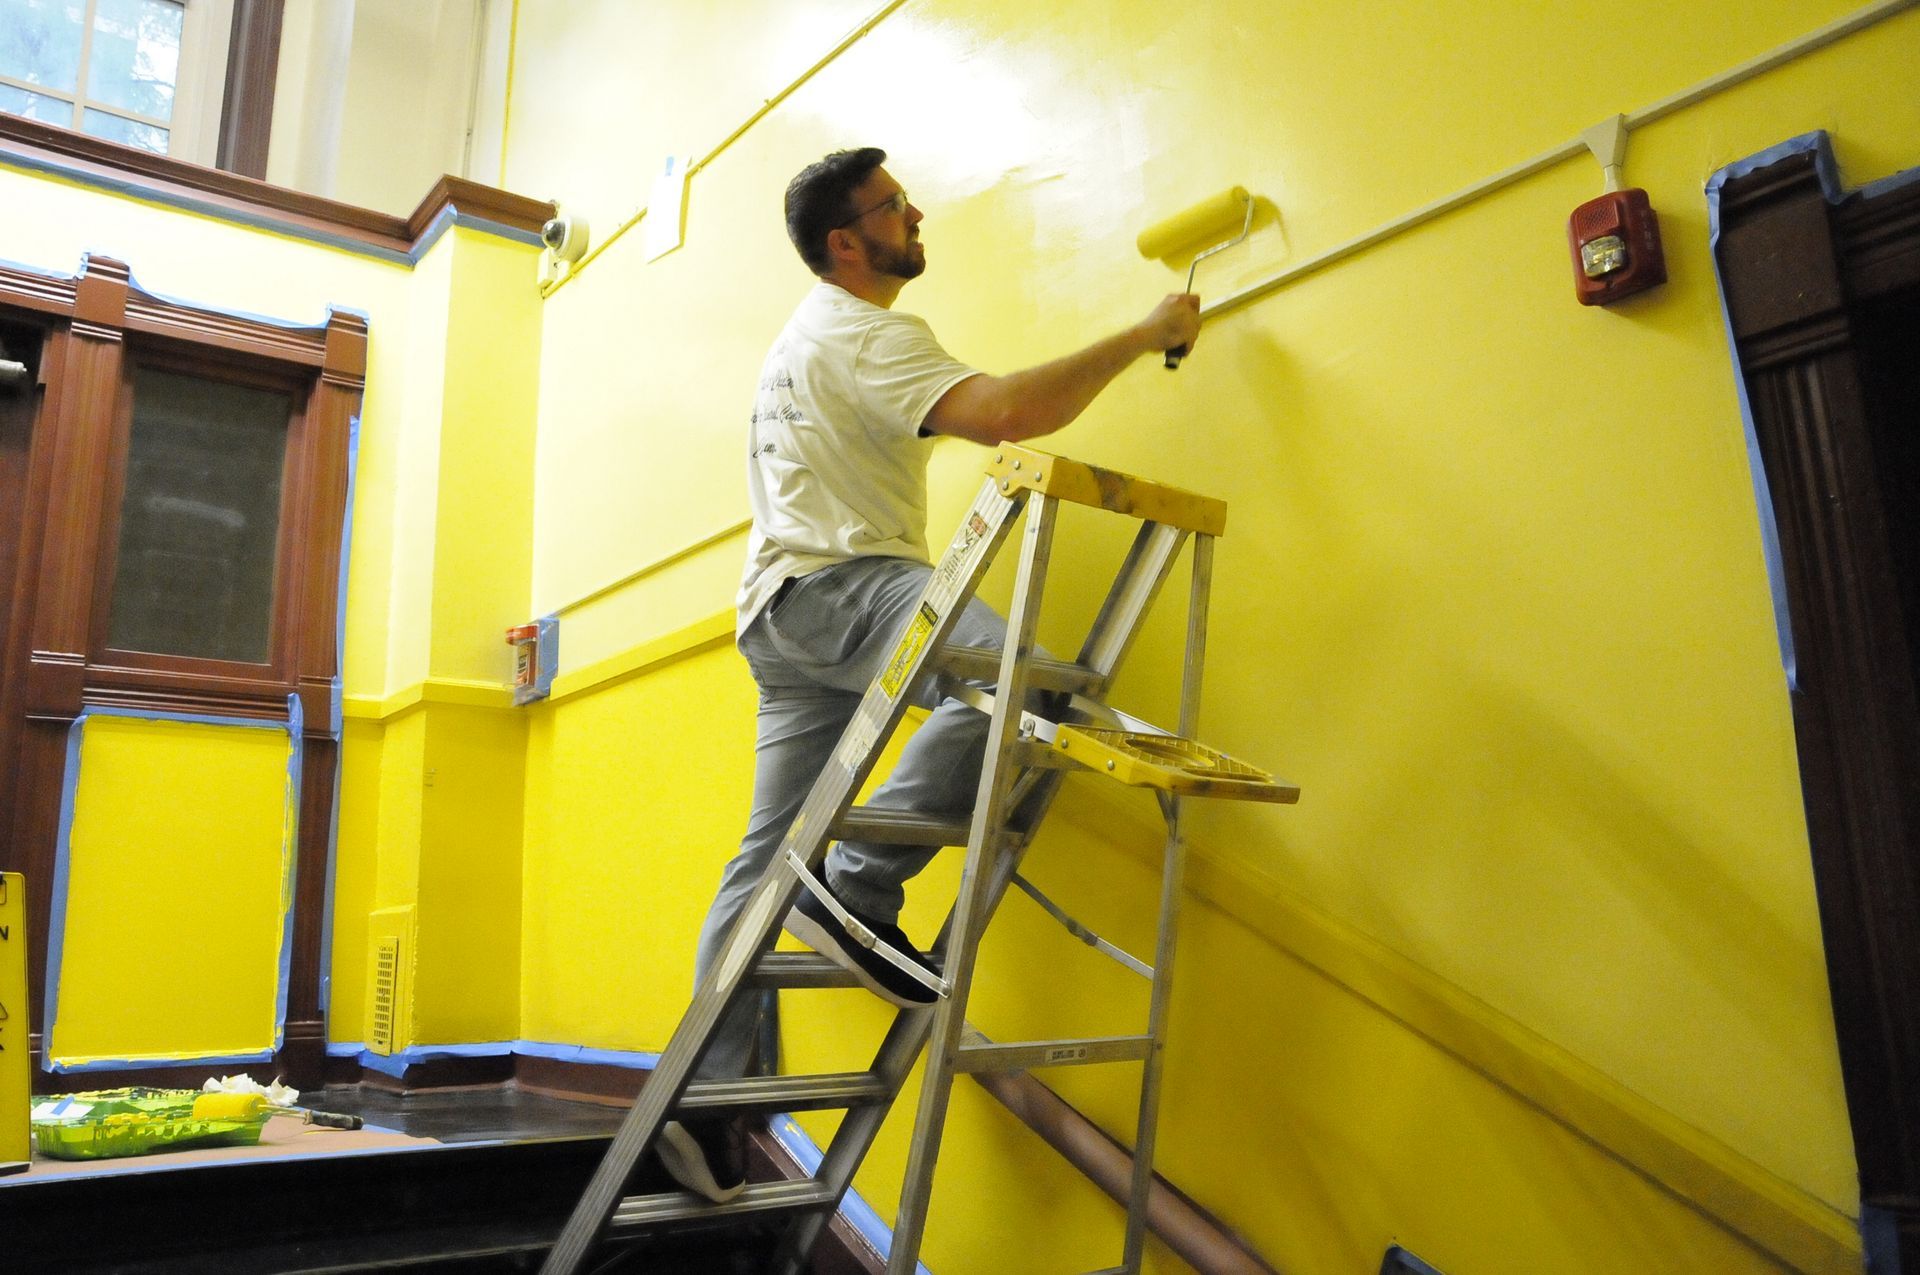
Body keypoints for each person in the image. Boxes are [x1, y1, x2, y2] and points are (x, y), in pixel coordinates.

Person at [656, 147, 1201, 1203]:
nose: (916, 217)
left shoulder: (807, 336)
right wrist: (1145, 334)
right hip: (845, 586)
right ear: (845, 242)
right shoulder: (866, 332)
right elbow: (1006, 413)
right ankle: (857, 888)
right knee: (1022, 686)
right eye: (893, 208)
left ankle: (703, 1106)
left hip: (779, 611)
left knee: (766, 859)